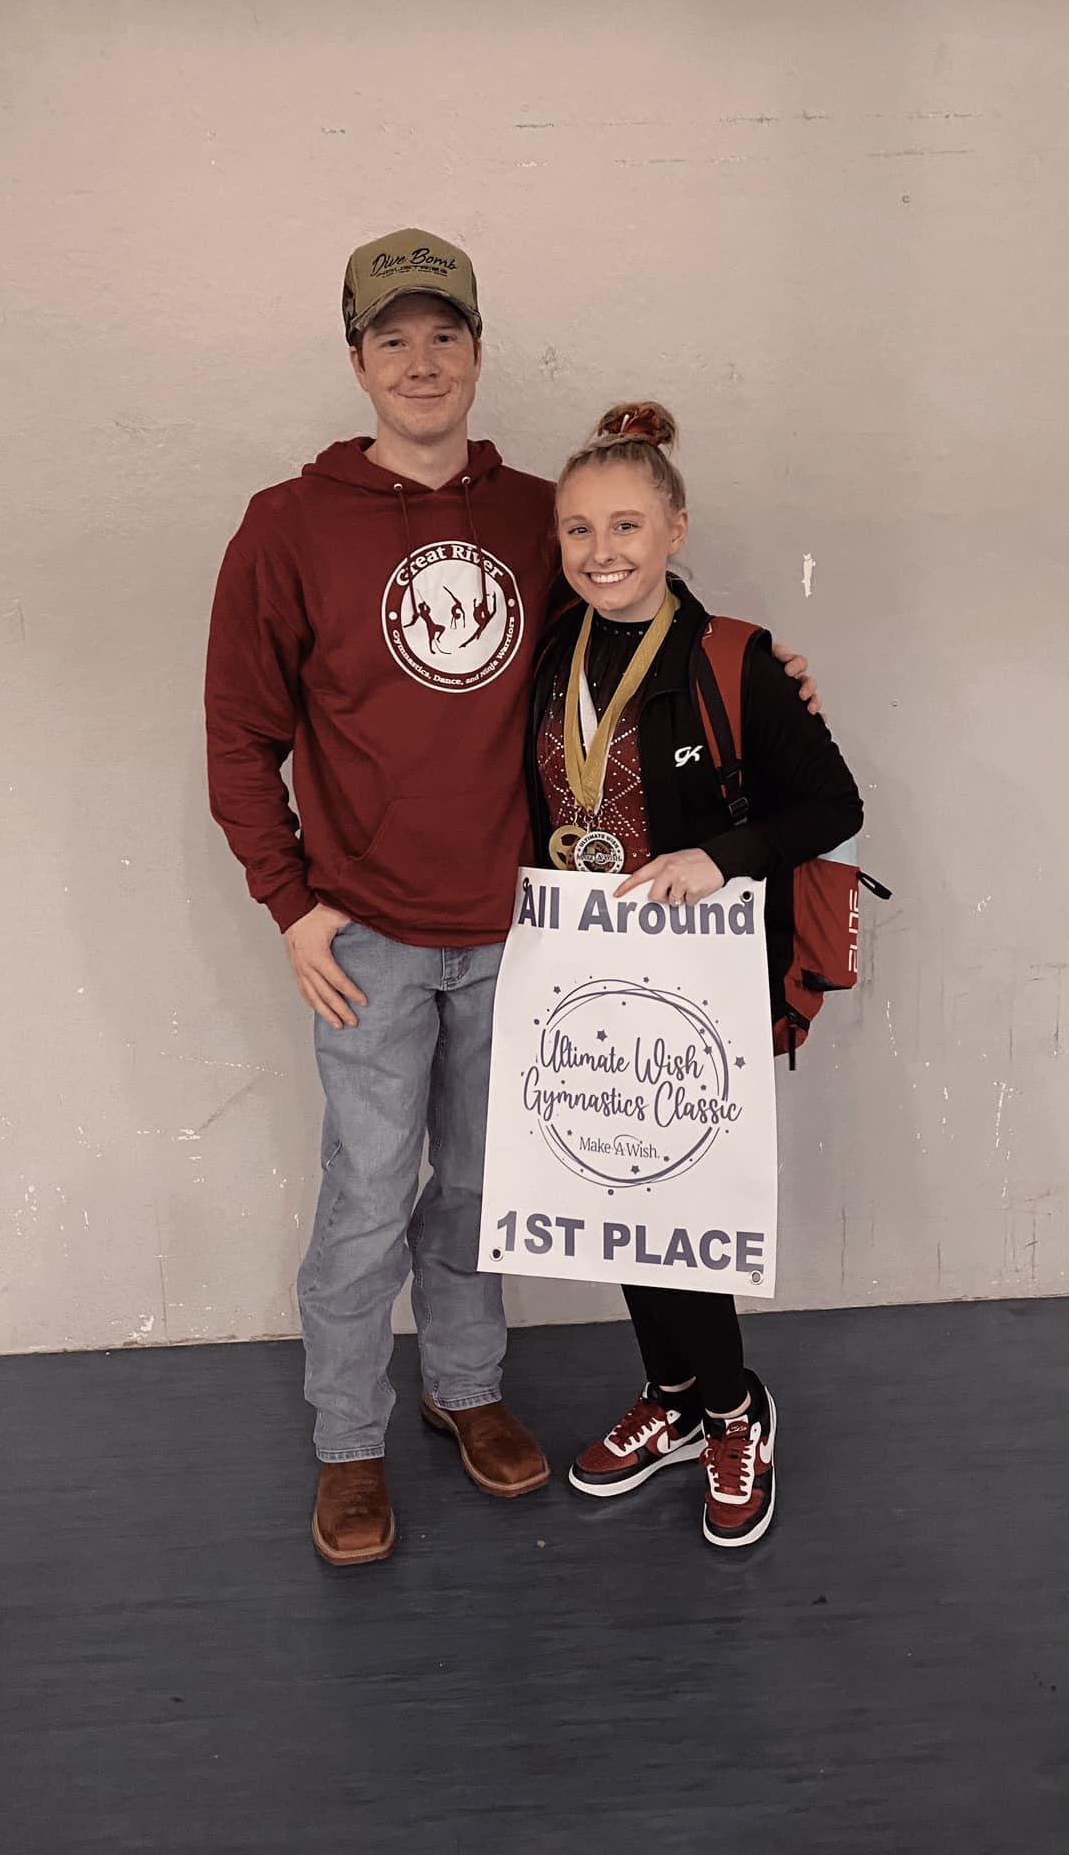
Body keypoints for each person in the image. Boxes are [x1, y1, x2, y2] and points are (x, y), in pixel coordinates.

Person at [204, 234, 821, 1566]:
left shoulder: (539, 514)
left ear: (478, 351)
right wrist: (291, 905)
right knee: (368, 1193)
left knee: (484, 1192)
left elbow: (641, 624)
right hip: (363, 930)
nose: (421, 364)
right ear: (357, 359)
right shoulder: (286, 528)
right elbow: (237, 736)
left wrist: (773, 689)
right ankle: (349, 1444)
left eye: (444, 337)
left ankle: (467, 1393)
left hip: (528, 932)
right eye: (392, 341)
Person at [523, 401, 864, 1550]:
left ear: (676, 527)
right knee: (619, 1198)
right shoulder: (544, 653)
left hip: (696, 975)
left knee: (676, 1202)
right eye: (577, 529)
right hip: (582, 969)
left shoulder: (738, 659)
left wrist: (718, 856)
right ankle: (669, 1398)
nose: (601, 551)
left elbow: (833, 804)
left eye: (626, 524)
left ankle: (731, 1407)